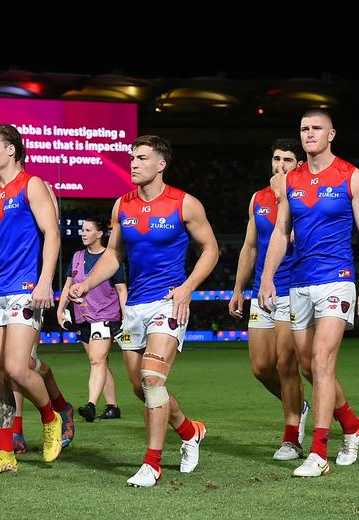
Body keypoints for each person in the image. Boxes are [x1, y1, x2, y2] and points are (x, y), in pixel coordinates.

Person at [69, 135, 217, 488]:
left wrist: (187, 287)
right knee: (142, 387)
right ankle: (189, 430)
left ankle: (151, 464)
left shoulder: (185, 203)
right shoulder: (122, 205)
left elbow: (211, 249)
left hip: (168, 301)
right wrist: (87, 284)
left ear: (160, 164)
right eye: (132, 158)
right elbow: (114, 255)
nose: (133, 163)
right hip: (135, 306)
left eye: (141, 158)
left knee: (152, 379)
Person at [258, 109, 359, 478]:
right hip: (299, 284)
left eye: (316, 129)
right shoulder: (291, 180)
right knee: (307, 365)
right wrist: (267, 277)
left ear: (332, 134)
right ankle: (352, 424)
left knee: (322, 362)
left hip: (336, 279)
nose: (309, 134)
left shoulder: (352, 177)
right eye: (304, 128)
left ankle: (319, 452)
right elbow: (280, 233)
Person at [0, 124, 66, 475]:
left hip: (25, 287)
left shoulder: (33, 185)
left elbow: (53, 234)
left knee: (16, 367)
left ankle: (50, 416)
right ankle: (5, 453)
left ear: (11, 150)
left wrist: (45, 282)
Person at [229, 138, 309, 460]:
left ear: (299, 165)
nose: (280, 166)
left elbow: (298, 237)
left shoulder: (305, 198)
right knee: (262, 367)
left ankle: (292, 437)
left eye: (288, 160)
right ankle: (298, 405)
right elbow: (250, 247)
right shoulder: (257, 199)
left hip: (293, 289)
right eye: (276, 159)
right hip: (263, 292)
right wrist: (238, 288)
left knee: (286, 364)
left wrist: (283, 195)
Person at [57, 217, 126, 423]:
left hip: (105, 315)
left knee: (96, 360)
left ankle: (91, 405)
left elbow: (121, 289)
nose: (83, 233)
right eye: (82, 230)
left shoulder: (111, 258)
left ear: (100, 233)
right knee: (99, 361)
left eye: (88, 230)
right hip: (83, 317)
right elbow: (68, 285)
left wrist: (127, 318)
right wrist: (60, 310)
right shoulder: (77, 256)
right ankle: (113, 406)